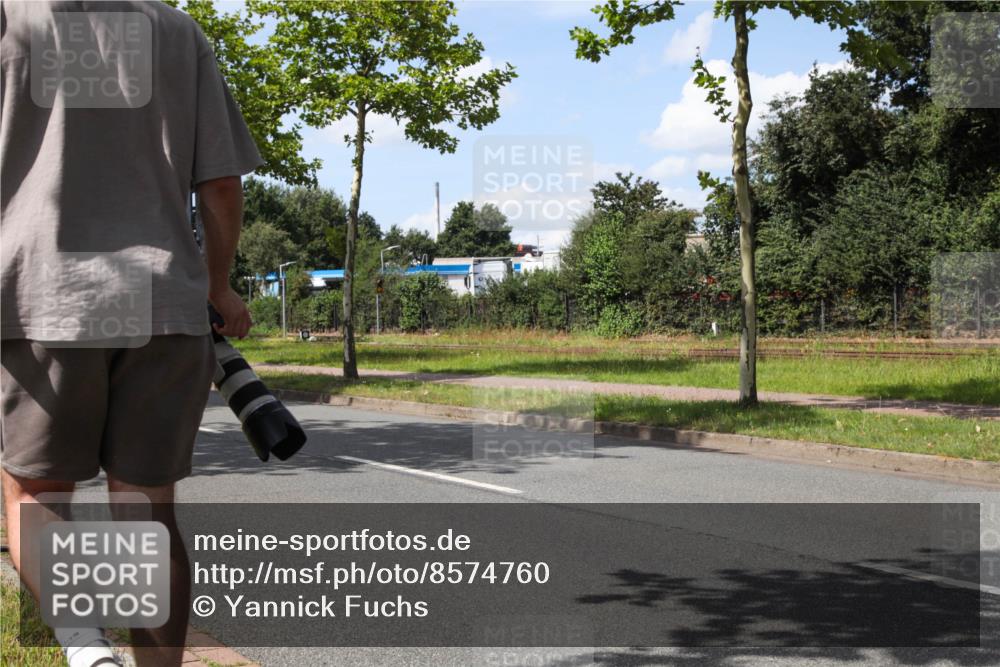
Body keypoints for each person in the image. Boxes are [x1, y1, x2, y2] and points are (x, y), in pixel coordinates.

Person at [1, 2, 260, 665]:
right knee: (147, 510)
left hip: (41, 297)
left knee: (35, 494)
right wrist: (218, 284)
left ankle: (87, 649)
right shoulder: (177, 32)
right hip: (161, 302)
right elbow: (222, 186)